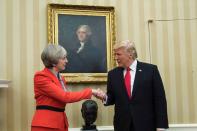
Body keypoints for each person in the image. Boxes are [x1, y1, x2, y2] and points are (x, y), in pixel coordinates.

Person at [98, 40, 169, 131]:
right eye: (115, 55)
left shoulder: (150, 70)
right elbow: (111, 98)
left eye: (118, 54)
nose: (115, 58)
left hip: (146, 125)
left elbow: (160, 100)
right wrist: (104, 97)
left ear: (130, 54)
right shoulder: (113, 74)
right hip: (122, 125)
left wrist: (161, 126)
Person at [31, 44, 102, 131]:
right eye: (64, 58)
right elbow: (65, 97)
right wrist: (91, 91)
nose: (67, 61)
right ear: (54, 61)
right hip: (45, 125)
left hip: (60, 123)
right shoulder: (41, 77)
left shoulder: (61, 78)